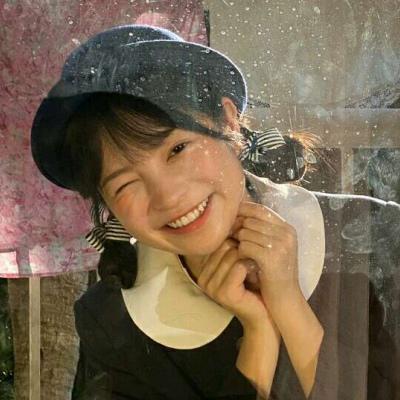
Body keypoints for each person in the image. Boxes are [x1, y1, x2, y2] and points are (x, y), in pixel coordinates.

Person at [30, 25, 400, 399]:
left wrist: (288, 306)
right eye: (126, 184)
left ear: (228, 121)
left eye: (177, 150)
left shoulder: (379, 235)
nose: (168, 197)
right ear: (106, 203)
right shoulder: (110, 323)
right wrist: (258, 335)